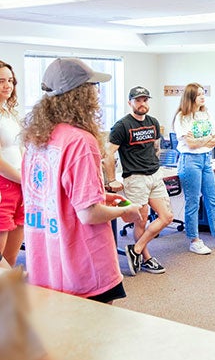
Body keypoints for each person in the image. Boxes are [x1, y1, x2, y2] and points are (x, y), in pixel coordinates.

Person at [21, 58, 143, 303]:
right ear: (81, 95)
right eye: (93, 88)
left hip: (46, 265)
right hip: (84, 266)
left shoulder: (37, 139)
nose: (97, 94)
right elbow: (89, 214)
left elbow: (53, 195)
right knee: (97, 337)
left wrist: (104, 196)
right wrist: (127, 210)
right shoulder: (80, 141)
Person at [104, 86, 173, 275]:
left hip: (154, 175)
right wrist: (111, 179)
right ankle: (147, 259)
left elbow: (156, 148)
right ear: (130, 103)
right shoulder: (122, 125)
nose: (142, 104)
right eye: (138, 100)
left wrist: (156, 165)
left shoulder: (153, 122)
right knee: (141, 221)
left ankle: (135, 250)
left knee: (166, 217)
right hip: (135, 178)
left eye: (145, 100)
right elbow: (108, 154)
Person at [172, 82, 215, 254]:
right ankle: (194, 240)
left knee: (212, 199)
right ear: (191, 97)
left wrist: (200, 141)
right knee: (193, 201)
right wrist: (204, 140)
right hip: (190, 160)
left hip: (205, 159)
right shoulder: (182, 117)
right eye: (199, 94)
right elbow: (191, 144)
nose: (203, 97)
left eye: (204, 94)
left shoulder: (206, 114)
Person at [0, 61, 24, 267]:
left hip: (20, 186)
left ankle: (6, 298)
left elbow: (19, 149)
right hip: (3, 186)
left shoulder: (9, 114)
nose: (7, 85)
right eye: (1, 81)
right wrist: (22, 178)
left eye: (10, 80)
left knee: (11, 258)